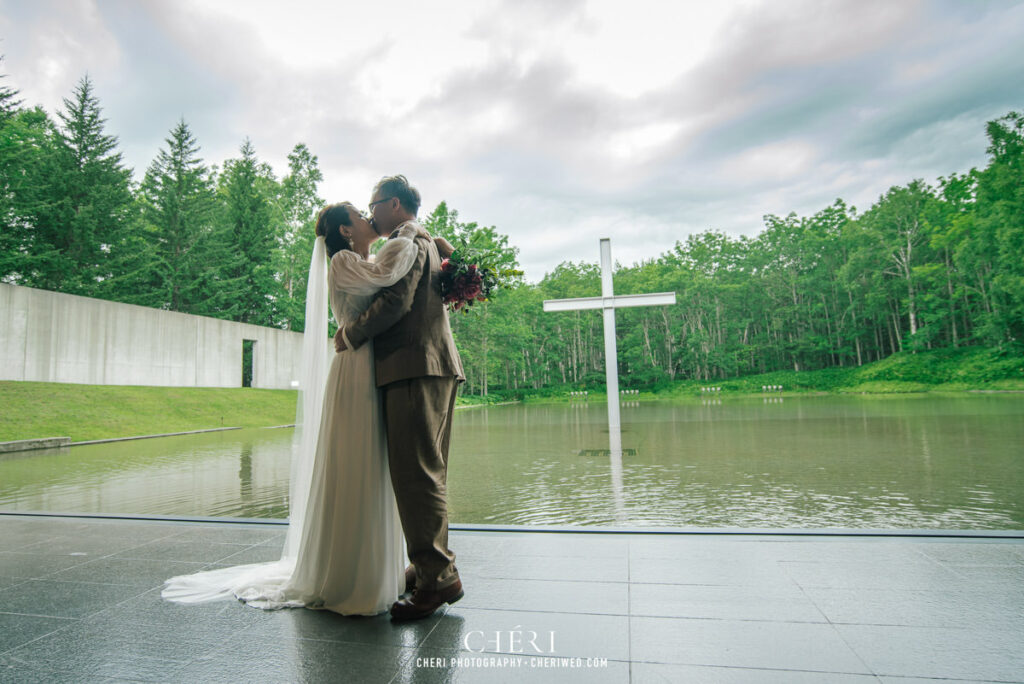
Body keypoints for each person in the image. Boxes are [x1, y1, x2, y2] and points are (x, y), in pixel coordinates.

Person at [162, 202, 423, 616]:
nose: (366, 217)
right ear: (345, 229)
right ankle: (347, 576)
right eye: (358, 213)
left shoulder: (359, 257)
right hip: (356, 370)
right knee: (356, 464)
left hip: (371, 366)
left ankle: (375, 571)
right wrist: (410, 233)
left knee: (372, 467)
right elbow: (386, 275)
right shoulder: (342, 260)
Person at [335, 175, 465, 621]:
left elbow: (396, 303)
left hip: (413, 367)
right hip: (436, 366)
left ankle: (437, 582)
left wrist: (350, 333)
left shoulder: (408, 242)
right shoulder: (424, 239)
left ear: (393, 205)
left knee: (416, 477)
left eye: (374, 205)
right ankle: (434, 564)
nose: (370, 213)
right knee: (431, 472)